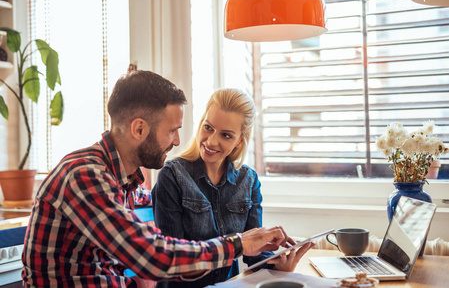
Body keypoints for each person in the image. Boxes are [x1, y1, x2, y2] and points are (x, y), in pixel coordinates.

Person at [21, 71, 295, 287]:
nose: (177, 141)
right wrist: (239, 243)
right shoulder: (83, 175)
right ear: (139, 128)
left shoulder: (120, 181)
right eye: (172, 130)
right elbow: (154, 255)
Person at [152, 88, 314, 288]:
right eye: (208, 127)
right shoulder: (173, 175)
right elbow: (173, 259)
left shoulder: (248, 180)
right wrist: (237, 244)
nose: (211, 141)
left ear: (240, 141)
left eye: (226, 135)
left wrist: (277, 267)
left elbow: (256, 256)